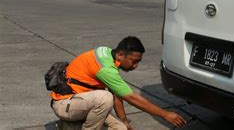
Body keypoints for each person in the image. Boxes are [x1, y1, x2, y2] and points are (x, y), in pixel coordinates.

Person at [50, 36, 186, 129]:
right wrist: (165, 114)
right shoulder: (105, 68)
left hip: (81, 102)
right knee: (104, 98)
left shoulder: (108, 53)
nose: (135, 66)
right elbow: (131, 98)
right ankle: (71, 125)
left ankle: (69, 126)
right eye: (134, 61)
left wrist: (124, 122)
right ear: (121, 55)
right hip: (64, 104)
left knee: (120, 128)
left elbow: (117, 95)